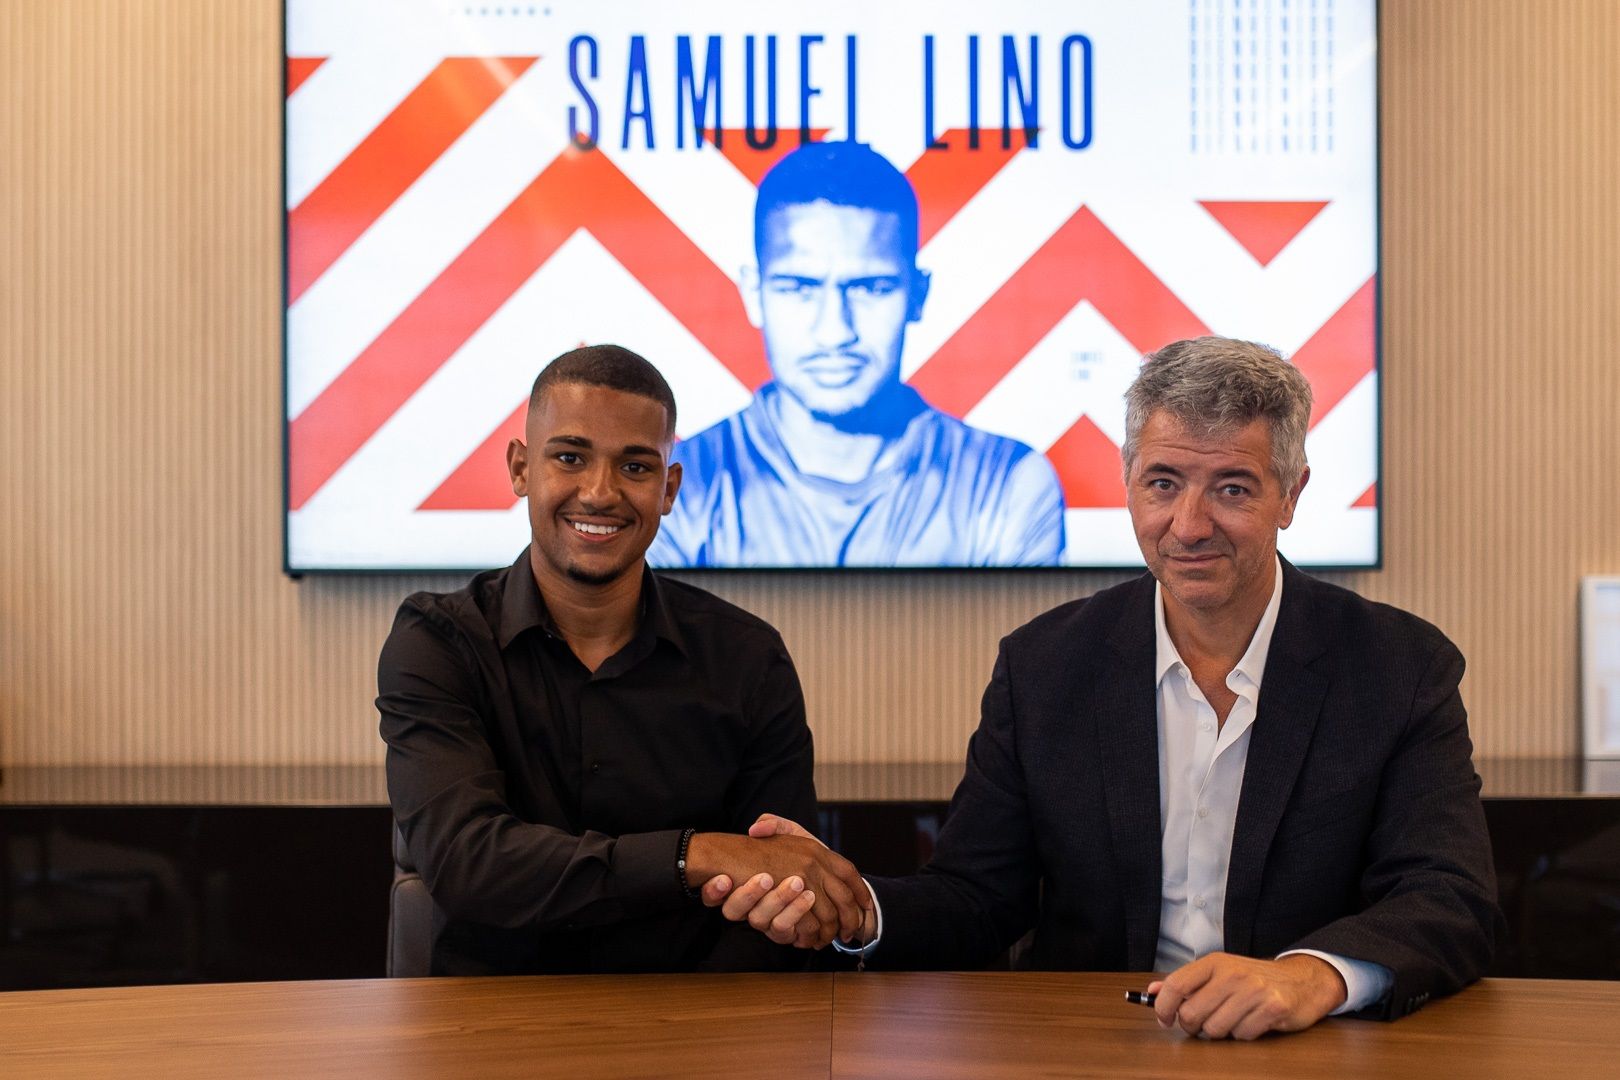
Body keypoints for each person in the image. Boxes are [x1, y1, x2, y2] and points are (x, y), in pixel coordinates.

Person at [709, 336, 1502, 1038]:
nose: (1188, 525)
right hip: (1091, 1044)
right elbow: (978, 899)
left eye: (1231, 487)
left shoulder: (1399, 667)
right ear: (1127, 482)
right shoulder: (1045, 666)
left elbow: (1449, 897)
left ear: (1290, 494)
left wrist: (1307, 977)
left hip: (1313, 1044)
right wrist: (853, 903)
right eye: (1162, 483)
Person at [378, 344, 869, 975]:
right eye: (570, 457)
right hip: (491, 1030)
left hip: (701, 1027)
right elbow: (469, 863)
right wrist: (697, 855)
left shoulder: (747, 657)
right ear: (521, 468)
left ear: (668, 489)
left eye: (635, 467)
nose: (600, 492)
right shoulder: (439, 643)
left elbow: (780, 880)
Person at [648, 141, 1066, 568]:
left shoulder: (1007, 486)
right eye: (799, 288)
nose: (834, 331)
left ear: (918, 295)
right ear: (754, 294)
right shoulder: (679, 487)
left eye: (870, 288)